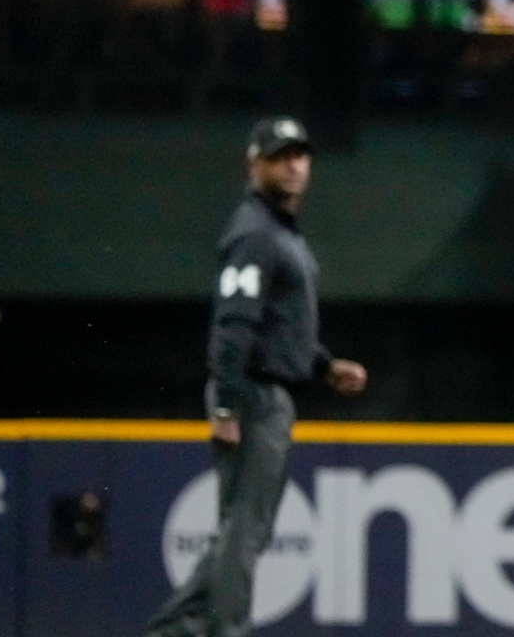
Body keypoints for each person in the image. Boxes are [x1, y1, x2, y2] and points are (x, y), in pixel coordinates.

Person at [145, 117, 368, 637]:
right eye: (280, 155)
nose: (294, 164)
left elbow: (279, 326)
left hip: (266, 390)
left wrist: (322, 366)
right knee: (245, 532)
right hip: (251, 393)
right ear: (255, 164)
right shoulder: (255, 233)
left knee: (243, 533)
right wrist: (225, 404)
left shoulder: (280, 233)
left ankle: (178, 630)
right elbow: (234, 324)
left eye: (300, 155)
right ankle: (221, 629)